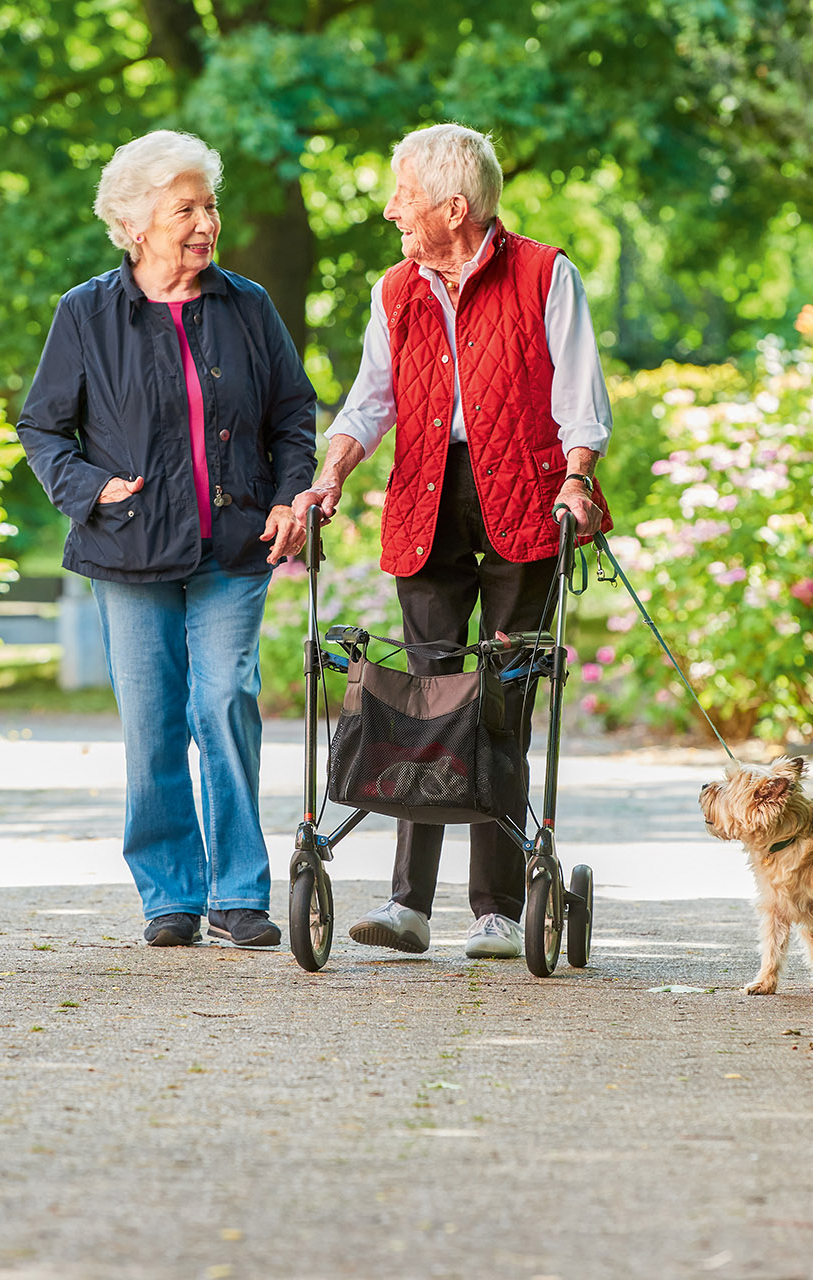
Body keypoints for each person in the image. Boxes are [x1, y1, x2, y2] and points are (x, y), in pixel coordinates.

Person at [291, 123, 612, 960]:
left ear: (455, 208)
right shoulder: (396, 289)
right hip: (427, 494)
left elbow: (580, 394)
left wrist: (577, 476)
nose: (392, 209)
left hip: (523, 495)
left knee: (502, 692)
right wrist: (331, 476)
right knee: (424, 691)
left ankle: (499, 911)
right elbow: (370, 400)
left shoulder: (545, 273)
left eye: (406, 195)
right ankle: (409, 905)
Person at [17, 130, 317, 949]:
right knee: (152, 722)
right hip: (127, 545)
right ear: (135, 222)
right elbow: (42, 427)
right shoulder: (84, 313)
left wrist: (293, 496)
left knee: (223, 702)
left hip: (233, 543)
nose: (204, 222)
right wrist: (88, 489)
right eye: (184, 207)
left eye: (209, 205)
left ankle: (239, 892)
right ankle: (170, 894)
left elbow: (293, 413)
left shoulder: (247, 305)